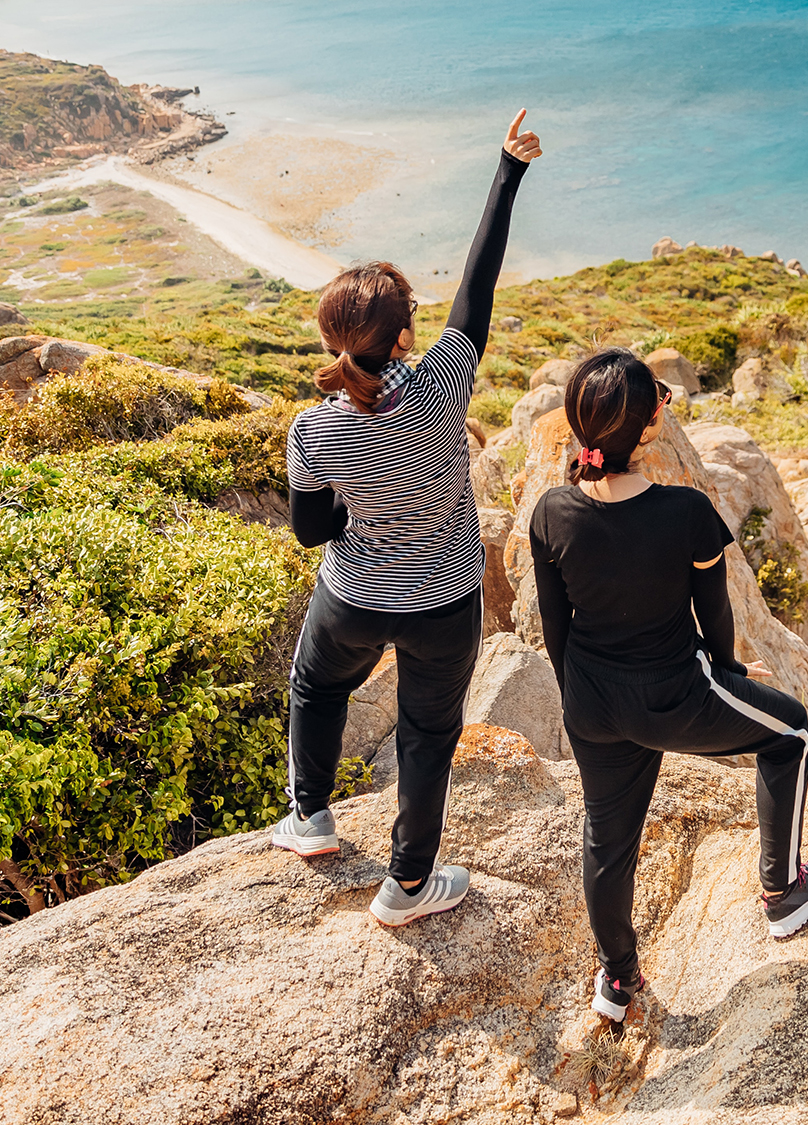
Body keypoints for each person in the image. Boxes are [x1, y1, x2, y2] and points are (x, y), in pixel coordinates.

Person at [268, 111, 544, 932]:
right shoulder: (444, 386)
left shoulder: (313, 429)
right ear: (407, 336)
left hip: (353, 595)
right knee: (427, 736)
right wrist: (507, 169)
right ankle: (408, 885)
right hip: (444, 603)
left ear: (331, 338)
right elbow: (478, 288)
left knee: (318, 687)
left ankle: (310, 819)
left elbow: (312, 534)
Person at [530, 349, 808, 1021]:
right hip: (674, 693)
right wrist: (731, 676)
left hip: (591, 700)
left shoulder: (551, 511)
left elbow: (556, 626)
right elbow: (715, 615)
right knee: (789, 731)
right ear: (648, 430)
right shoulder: (684, 512)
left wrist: (584, 700)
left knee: (607, 840)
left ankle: (616, 979)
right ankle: (786, 889)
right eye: (661, 402)